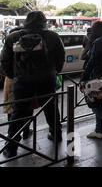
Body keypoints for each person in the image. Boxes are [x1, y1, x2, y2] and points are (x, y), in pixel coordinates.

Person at [1, 11, 65, 158]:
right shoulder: (53, 36)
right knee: (50, 107)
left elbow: (5, 61)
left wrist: (14, 75)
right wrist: (54, 72)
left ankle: (11, 147)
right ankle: (56, 135)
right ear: (44, 21)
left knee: (19, 112)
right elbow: (60, 59)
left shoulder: (13, 37)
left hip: (22, 81)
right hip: (46, 79)